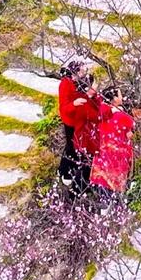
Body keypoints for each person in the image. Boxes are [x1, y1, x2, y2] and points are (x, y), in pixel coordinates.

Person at [90, 86, 135, 205]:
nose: (122, 97)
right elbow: (131, 130)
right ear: (114, 98)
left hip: (101, 159)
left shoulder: (100, 113)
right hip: (116, 159)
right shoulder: (122, 117)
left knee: (103, 195)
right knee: (114, 197)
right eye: (119, 95)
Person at [57, 59, 88, 187]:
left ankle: (69, 167)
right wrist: (74, 104)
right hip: (70, 120)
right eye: (82, 70)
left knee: (73, 145)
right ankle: (64, 170)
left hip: (77, 119)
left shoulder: (77, 82)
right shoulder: (65, 84)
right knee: (71, 146)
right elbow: (63, 107)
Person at [70, 77, 103, 194]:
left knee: (87, 166)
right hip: (84, 140)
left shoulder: (90, 99)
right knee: (84, 167)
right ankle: (76, 192)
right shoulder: (83, 102)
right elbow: (96, 116)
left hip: (88, 139)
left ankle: (82, 190)